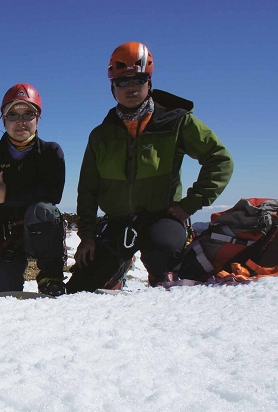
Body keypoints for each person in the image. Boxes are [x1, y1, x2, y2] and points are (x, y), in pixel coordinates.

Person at [67, 42, 234, 292]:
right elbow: (88, 189)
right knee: (80, 287)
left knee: (163, 254)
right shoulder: (101, 136)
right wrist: (88, 236)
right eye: (122, 81)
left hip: (163, 217)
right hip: (118, 221)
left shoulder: (176, 122)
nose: (131, 87)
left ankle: (159, 274)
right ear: (112, 87)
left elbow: (219, 158)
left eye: (139, 79)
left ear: (150, 82)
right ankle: (115, 273)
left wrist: (190, 204)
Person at [0, 83, 67, 296]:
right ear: (4, 119)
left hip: (39, 233)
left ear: (38, 118)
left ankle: (50, 276)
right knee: (1, 295)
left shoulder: (51, 153)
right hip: (7, 237)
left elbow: (54, 194)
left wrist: (6, 197)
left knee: (43, 210)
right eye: (13, 114)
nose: (21, 121)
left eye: (28, 114)